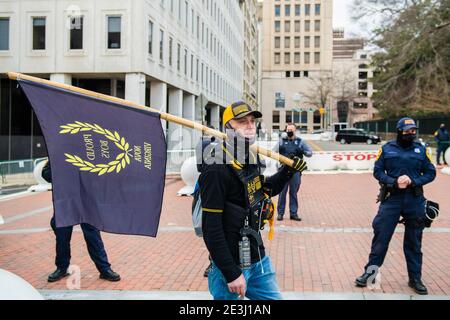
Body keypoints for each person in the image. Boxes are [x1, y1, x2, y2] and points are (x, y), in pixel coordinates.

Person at [198, 101, 307, 300]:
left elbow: (263, 190)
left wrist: (288, 171)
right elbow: (210, 228)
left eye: (252, 121)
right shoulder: (216, 166)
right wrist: (232, 273)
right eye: (241, 121)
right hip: (228, 267)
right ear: (228, 127)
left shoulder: (250, 157)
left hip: (257, 258)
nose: (249, 125)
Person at [355, 117, 436, 295]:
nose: (411, 133)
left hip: (414, 200)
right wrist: (393, 181)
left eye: (413, 130)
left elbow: (431, 173)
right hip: (391, 199)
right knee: (380, 238)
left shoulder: (421, 150)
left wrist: (414, 181)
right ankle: (370, 274)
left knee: (414, 242)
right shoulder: (386, 148)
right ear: (399, 131)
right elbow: (377, 171)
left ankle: (415, 278)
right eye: (407, 131)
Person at [42, 160, 121, 282]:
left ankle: (104, 269)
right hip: (65, 201)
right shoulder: (58, 151)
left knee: (93, 237)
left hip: (86, 200)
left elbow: (100, 173)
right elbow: (45, 174)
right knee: (62, 237)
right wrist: (62, 172)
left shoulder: (87, 148)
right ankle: (62, 268)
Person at [276, 123, 313, 221]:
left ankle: (293, 213)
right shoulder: (281, 141)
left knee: (293, 192)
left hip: (295, 171)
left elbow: (310, 153)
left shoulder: (301, 142)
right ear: (286, 130)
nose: (289, 131)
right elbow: (272, 152)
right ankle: (280, 213)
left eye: (291, 130)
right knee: (282, 192)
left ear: (295, 130)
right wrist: (278, 152)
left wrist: (302, 151)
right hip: (283, 170)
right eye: (288, 130)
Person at [194, 126, 217, 277]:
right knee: (210, 226)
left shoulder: (201, 144)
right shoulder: (207, 145)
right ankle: (213, 262)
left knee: (209, 227)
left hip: (207, 188)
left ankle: (213, 262)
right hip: (208, 188)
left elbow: (199, 167)